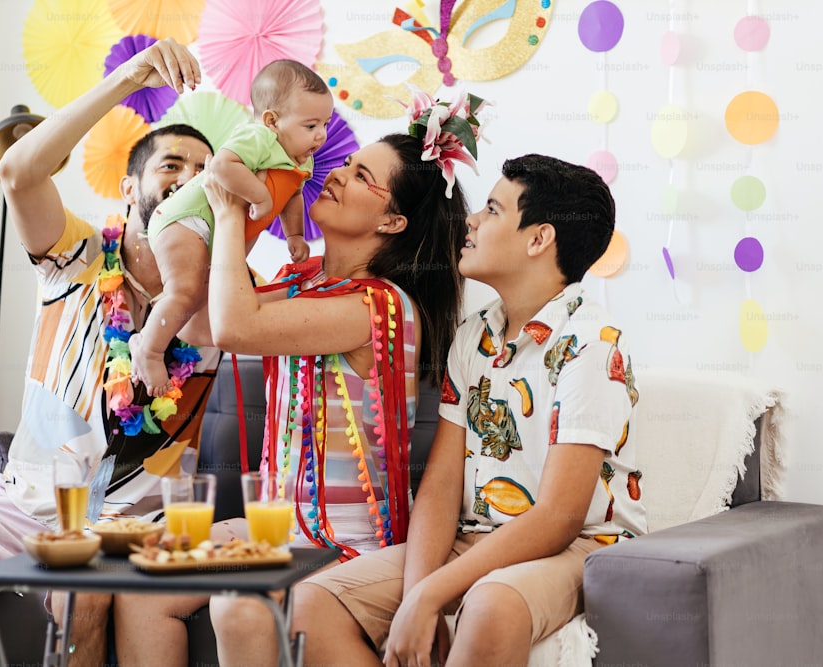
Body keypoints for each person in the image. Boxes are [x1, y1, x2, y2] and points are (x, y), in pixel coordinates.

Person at [0, 39, 220, 666]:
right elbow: (20, 172)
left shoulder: (218, 298)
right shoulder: (75, 257)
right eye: (171, 166)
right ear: (131, 185)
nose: (188, 178)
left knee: (84, 594)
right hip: (22, 500)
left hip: (139, 520)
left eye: (202, 172)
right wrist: (131, 78)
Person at [138, 93, 482, 667]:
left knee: (236, 606)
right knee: (145, 582)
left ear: (392, 221)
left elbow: (234, 327)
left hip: (343, 543)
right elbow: (200, 324)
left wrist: (229, 213)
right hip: (280, 530)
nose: (337, 175)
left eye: (360, 175)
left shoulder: (378, 305)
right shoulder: (304, 281)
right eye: (346, 165)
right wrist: (213, 217)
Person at [290, 153, 648, 666]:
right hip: (478, 537)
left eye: (493, 210)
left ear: (539, 238)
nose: (471, 222)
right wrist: (419, 592)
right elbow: (439, 485)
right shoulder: (473, 335)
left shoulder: (592, 345)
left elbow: (558, 518)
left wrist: (434, 594)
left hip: (582, 546)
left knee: (491, 604)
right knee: (312, 603)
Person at [131, 59, 333, 399]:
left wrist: (295, 234)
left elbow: (294, 195)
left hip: (212, 232)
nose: (321, 135)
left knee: (201, 297)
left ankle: (155, 334)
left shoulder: (302, 158)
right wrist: (260, 198)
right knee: (185, 291)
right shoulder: (259, 137)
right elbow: (223, 166)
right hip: (187, 218)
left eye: (324, 124)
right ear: (272, 120)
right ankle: (148, 350)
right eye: (311, 125)